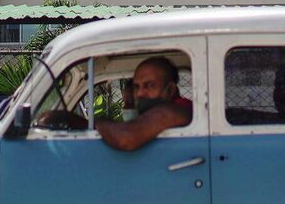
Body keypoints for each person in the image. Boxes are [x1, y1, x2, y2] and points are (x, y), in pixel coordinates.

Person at [36, 56, 192, 151]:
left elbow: (126, 137)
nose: (140, 93)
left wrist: (93, 124)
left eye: (150, 85)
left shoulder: (174, 110)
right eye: (137, 87)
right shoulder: (161, 109)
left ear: (170, 89)